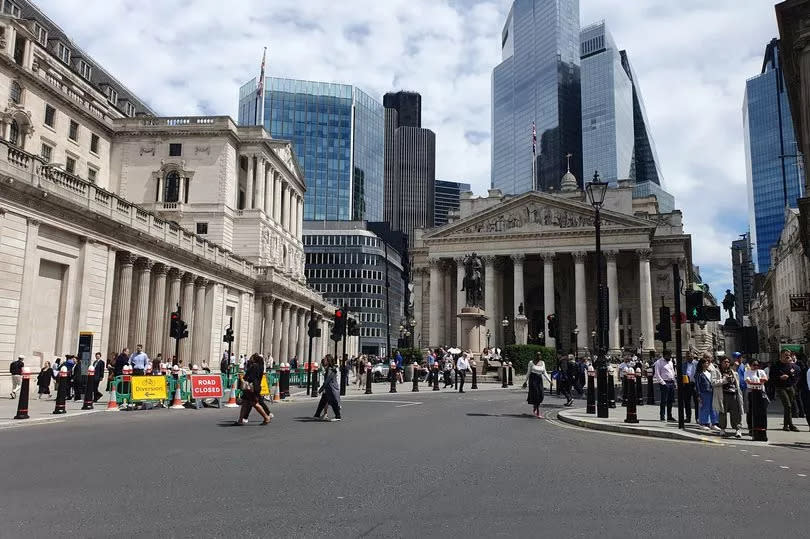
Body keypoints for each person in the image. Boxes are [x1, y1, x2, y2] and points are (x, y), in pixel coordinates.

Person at [235, 355, 271, 425]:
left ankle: (266, 417)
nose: (250, 359)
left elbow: (250, 377)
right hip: (256, 387)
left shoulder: (254, 366)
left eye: (251, 358)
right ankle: (240, 420)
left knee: (254, 404)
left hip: (251, 388)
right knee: (245, 403)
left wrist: (244, 379)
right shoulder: (261, 366)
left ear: (254, 359)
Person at [772, 350, 801, 432]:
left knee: (789, 407)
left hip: (790, 387)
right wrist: (780, 378)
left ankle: (787, 425)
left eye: (788, 355)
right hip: (780, 387)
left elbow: (797, 374)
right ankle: (789, 425)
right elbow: (772, 377)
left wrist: (793, 382)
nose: (787, 356)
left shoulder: (791, 365)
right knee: (787, 405)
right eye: (785, 355)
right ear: (781, 356)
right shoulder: (776, 365)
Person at [717, 357, 744, 438]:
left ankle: (737, 429)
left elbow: (737, 383)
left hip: (733, 394)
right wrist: (725, 380)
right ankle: (722, 428)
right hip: (723, 394)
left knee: (736, 413)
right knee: (722, 412)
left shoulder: (733, 372)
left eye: (728, 362)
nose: (726, 363)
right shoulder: (717, 371)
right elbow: (714, 382)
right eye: (725, 362)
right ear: (721, 363)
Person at [744, 359, 769, 434]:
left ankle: (761, 427)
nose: (756, 366)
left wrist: (758, 382)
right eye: (754, 365)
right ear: (750, 365)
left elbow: (765, 379)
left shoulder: (761, 371)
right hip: (751, 392)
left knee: (761, 411)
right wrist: (757, 382)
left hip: (760, 392)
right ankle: (751, 427)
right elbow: (748, 381)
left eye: (757, 365)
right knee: (750, 411)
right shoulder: (747, 372)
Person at [314, 356, 341, 421]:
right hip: (328, 388)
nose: (324, 361)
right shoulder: (329, 369)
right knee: (323, 401)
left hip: (331, 389)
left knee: (333, 402)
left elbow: (327, 380)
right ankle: (317, 415)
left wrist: (320, 389)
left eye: (325, 360)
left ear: (328, 361)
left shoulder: (330, 369)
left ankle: (338, 416)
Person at [696, 358, 720, 431]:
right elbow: (697, 385)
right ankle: (703, 423)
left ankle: (714, 423)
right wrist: (698, 395)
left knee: (713, 408)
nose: (708, 364)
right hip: (704, 393)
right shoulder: (699, 374)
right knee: (704, 408)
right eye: (706, 363)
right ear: (702, 364)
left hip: (711, 392)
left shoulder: (709, 372)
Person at [653, 351, 676, 422]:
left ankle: (669, 416)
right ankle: (662, 416)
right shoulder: (659, 362)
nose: (670, 357)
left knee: (670, 400)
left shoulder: (671, 362)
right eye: (669, 355)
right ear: (665, 355)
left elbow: (672, 372)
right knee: (664, 400)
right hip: (665, 382)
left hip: (671, 382)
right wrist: (663, 383)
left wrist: (674, 381)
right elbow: (657, 373)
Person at [683, 353, 699, 423]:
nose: (690, 357)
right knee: (687, 402)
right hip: (687, 384)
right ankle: (688, 417)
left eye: (691, 356)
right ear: (686, 357)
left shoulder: (697, 364)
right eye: (688, 356)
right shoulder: (683, 364)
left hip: (695, 384)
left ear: (693, 357)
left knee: (697, 402)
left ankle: (697, 418)